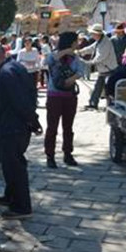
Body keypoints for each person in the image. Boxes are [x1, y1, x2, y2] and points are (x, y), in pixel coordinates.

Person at [0, 40, 40, 219]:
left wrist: (34, 121)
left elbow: (20, 102)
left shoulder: (7, 73)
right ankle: (11, 196)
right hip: (14, 125)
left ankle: (22, 207)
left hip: (13, 127)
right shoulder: (15, 66)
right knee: (9, 165)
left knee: (15, 166)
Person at [45, 32, 84, 169]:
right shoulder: (54, 54)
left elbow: (80, 71)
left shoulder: (75, 57)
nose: (77, 44)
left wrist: (71, 80)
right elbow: (48, 62)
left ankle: (68, 153)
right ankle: (50, 156)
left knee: (68, 127)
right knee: (52, 127)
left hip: (69, 95)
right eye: (76, 41)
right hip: (54, 95)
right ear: (71, 42)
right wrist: (65, 52)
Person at [78, 23, 118, 110]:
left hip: (109, 70)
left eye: (93, 33)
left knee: (109, 89)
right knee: (98, 88)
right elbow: (90, 48)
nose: (91, 35)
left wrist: (88, 62)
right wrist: (80, 52)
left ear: (97, 34)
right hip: (103, 70)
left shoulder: (106, 42)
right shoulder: (99, 41)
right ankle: (93, 103)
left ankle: (110, 105)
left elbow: (100, 57)